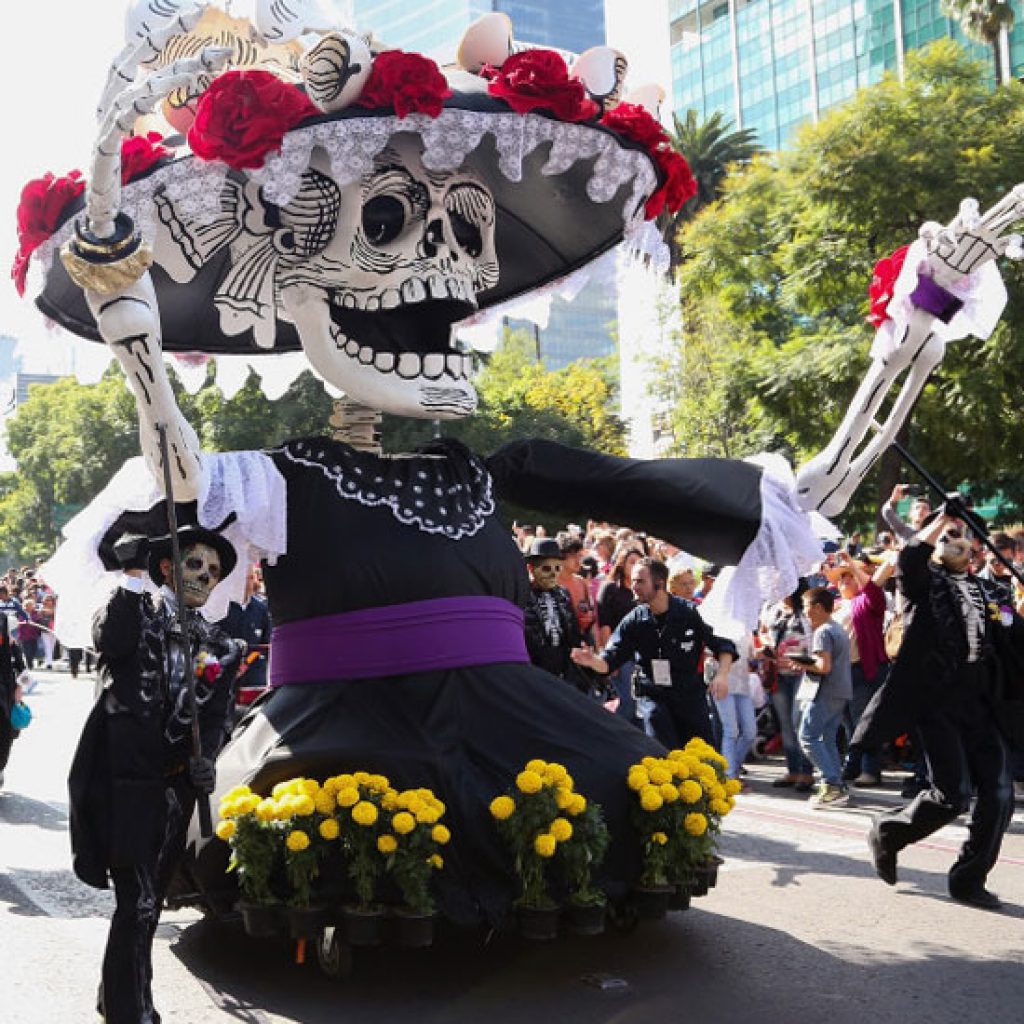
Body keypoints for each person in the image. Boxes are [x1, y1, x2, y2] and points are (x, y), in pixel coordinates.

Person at [68, 514, 245, 1024]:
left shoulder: (222, 646)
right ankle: (132, 1011)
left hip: (174, 791)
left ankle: (115, 995)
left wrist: (206, 761)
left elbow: (215, 717)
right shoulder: (134, 615)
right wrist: (129, 575)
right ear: (167, 568)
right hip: (124, 784)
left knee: (147, 902)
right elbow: (111, 641)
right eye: (194, 564)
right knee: (139, 902)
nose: (204, 577)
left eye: (212, 570)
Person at [854, 511, 1024, 909]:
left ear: (976, 548)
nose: (954, 540)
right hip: (937, 702)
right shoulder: (923, 584)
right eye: (946, 535)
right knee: (952, 796)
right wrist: (941, 517)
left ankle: (968, 878)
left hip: (982, 701)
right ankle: (890, 832)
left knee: (999, 794)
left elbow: (1014, 635)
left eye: (961, 535)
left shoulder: (993, 593)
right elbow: (911, 558)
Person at [573, 558, 737, 748]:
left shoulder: (689, 613)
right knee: (662, 753)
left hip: (689, 698)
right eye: (633, 581)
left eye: (640, 581)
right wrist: (592, 661)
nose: (634, 586)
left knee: (703, 760)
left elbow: (724, 646)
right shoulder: (635, 619)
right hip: (654, 698)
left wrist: (722, 676)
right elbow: (610, 659)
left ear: (659, 583)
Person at [825, 551, 895, 787]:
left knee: (863, 721)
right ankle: (852, 766)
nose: (844, 582)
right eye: (841, 578)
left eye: (849, 577)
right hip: (839, 671)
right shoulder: (834, 607)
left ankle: (870, 770)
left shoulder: (866, 602)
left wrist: (854, 567)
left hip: (864, 670)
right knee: (848, 723)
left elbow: (874, 592)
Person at [781, 586, 852, 808]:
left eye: (806, 606)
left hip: (823, 692)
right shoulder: (837, 628)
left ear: (819, 607)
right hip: (840, 691)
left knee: (808, 737)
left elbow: (823, 666)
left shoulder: (823, 632)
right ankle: (836, 785)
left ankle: (831, 784)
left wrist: (802, 662)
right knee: (827, 739)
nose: (805, 611)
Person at [759, 584, 816, 791]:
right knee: (786, 724)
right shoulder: (772, 608)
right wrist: (768, 645)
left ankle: (806, 772)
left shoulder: (807, 611)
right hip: (778, 674)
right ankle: (793, 770)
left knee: (798, 720)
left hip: (803, 673)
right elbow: (763, 631)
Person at [523, 538, 583, 685]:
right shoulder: (521, 596)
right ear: (530, 568)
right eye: (546, 568)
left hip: (562, 670)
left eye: (558, 568)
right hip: (533, 670)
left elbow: (573, 631)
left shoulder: (563, 594)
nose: (553, 574)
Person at [216, 563, 271, 694]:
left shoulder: (261, 609)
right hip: (226, 673)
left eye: (251, 578)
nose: (249, 583)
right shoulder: (222, 608)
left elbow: (266, 644)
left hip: (254, 675)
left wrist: (247, 663)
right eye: (245, 578)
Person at [0, 613, 27, 790]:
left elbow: (25, 674)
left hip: (4, 697)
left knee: (4, 736)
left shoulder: (12, 647)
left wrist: (19, 689)